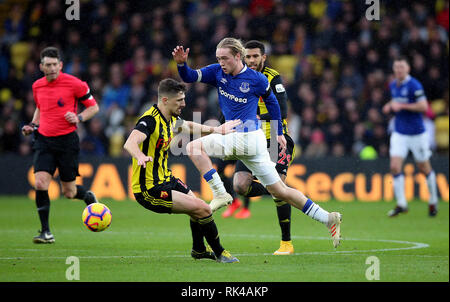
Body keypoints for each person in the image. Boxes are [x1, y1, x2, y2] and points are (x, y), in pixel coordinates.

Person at [173, 37, 342, 248]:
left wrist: (279, 131)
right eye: (218, 58)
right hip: (255, 143)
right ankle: (328, 218)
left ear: (237, 56)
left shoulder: (257, 79)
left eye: (225, 58)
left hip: (243, 137)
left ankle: (220, 193)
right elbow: (189, 76)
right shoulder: (217, 71)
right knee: (280, 190)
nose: (221, 62)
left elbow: (274, 104)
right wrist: (181, 63)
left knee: (192, 146)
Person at [123, 78, 240, 263]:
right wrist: (140, 156)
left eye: (183, 99)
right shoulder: (149, 120)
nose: (183, 104)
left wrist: (217, 130)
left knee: (197, 207)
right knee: (203, 209)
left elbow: (189, 126)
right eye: (179, 101)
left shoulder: (171, 119)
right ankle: (220, 253)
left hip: (165, 179)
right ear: (165, 100)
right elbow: (130, 142)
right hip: (149, 189)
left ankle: (199, 250)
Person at [21, 47, 99, 244]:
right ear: (41, 66)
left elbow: (94, 107)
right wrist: (32, 125)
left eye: (55, 64)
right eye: (48, 65)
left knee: (69, 192)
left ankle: (88, 196)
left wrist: (78, 117)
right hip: (44, 140)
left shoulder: (75, 84)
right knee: (40, 183)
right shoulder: (37, 86)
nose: (52, 68)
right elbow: (40, 108)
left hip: (67, 141)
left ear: (61, 65)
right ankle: (46, 232)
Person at [228, 40, 296, 255]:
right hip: (250, 141)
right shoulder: (237, 78)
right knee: (240, 186)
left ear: (263, 58)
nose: (251, 60)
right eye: (248, 57)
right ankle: (287, 194)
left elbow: (282, 110)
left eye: (255, 56)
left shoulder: (273, 77)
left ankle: (286, 243)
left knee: (279, 191)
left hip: (276, 140)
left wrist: (257, 116)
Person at [382, 56, 439, 217]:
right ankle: (401, 204)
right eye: (396, 67)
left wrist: (401, 106)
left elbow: (423, 106)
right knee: (394, 167)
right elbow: (396, 100)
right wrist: (390, 105)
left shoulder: (415, 85)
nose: (399, 70)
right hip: (399, 132)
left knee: (423, 167)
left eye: (401, 67)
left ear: (408, 69)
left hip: (417, 133)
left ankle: (433, 200)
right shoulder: (393, 85)